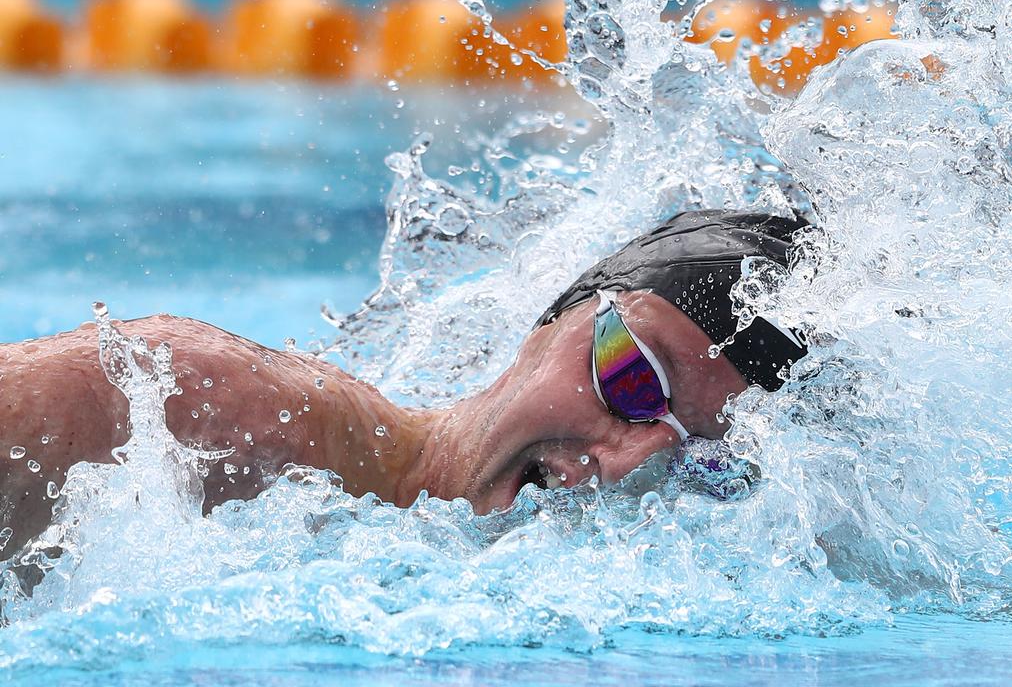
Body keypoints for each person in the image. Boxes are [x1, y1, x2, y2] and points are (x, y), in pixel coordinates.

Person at [0, 210, 809, 561]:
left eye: (697, 456)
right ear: (552, 323)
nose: (631, 464)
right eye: (632, 382)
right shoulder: (205, 400)